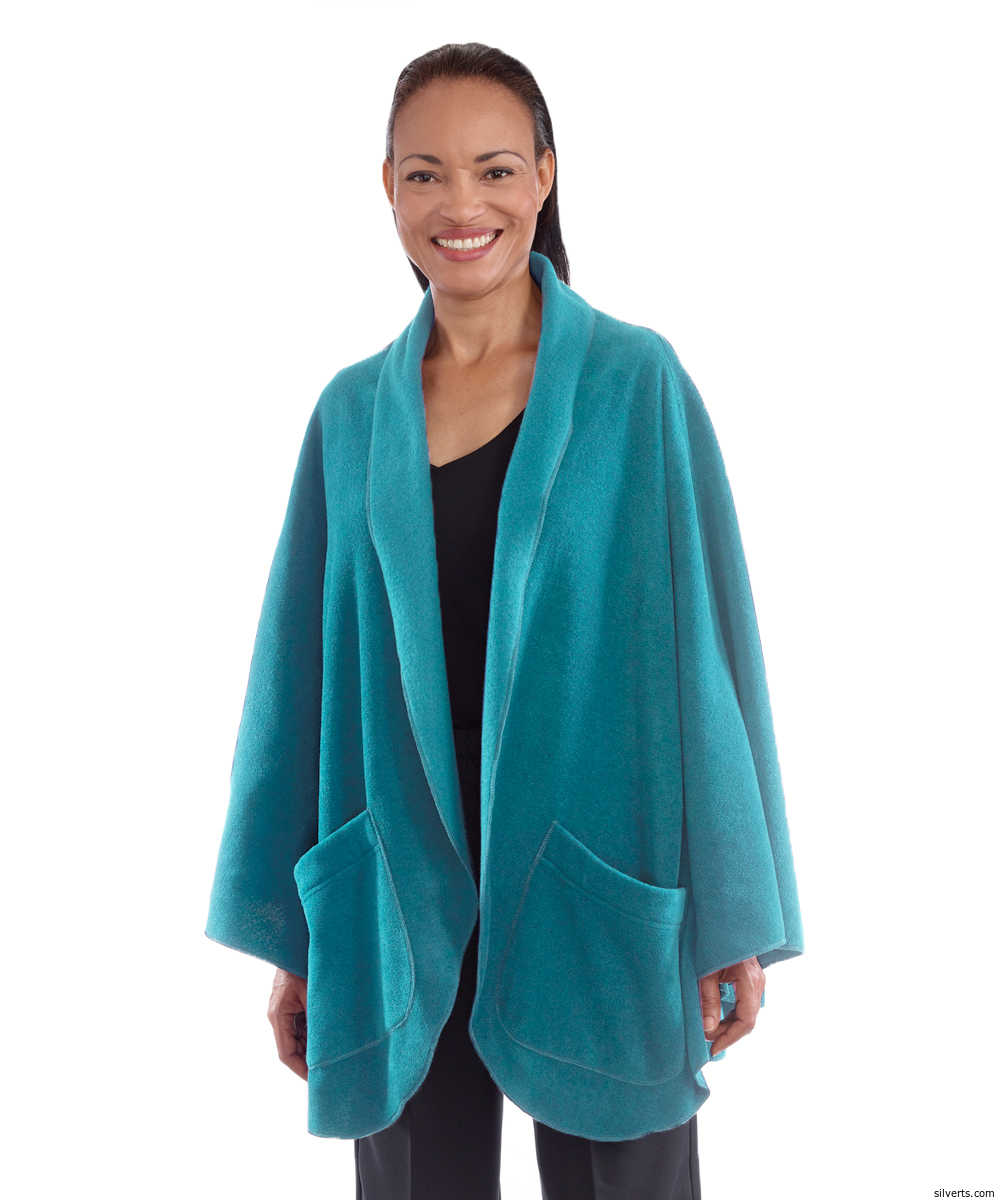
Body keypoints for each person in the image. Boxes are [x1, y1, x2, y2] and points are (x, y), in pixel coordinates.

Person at [206, 41, 803, 1200]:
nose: (460, 205)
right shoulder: (349, 415)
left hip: (595, 866)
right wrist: (299, 941)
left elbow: (708, 656)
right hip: (396, 885)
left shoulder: (633, 383)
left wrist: (729, 909)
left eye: (492, 169)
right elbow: (296, 688)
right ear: (386, 190)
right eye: (424, 174)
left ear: (543, 177)